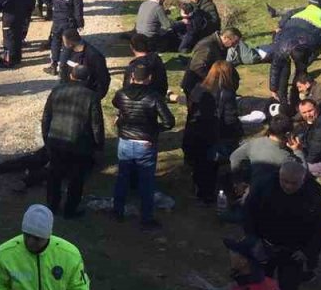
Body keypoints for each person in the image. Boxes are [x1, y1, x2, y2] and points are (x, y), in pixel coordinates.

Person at [243, 160, 321, 290]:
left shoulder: (316, 197)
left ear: (303, 179)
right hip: (265, 244)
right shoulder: (264, 185)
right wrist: (253, 239)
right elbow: (248, 213)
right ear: (279, 176)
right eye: (285, 181)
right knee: (258, 284)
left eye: (294, 183)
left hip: (293, 252)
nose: (288, 186)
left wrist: (308, 252)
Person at [111, 61, 176, 229]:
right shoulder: (154, 97)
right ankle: (146, 218)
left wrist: (123, 119)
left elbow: (116, 104)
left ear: (132, 77)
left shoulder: (121, 93)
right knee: (146, 182)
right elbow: (169, 122)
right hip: (145, 143)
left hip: (125, 140)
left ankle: (117, 211)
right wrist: (154, 130)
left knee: (122, 177)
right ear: (149, 78)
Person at [40, 65, 104, 218]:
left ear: (71, 75)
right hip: (79, 143)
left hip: (56, 140)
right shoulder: (92, 96)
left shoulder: (57, 91)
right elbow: (96, 124)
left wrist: (46, 139)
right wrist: (98, 144)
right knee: (76, 179)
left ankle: (52, 206)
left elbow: (46, 118)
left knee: (54, 176)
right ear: (87, 78)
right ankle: (70, 210)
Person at [183, 61, 242, 205]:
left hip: (195, 133)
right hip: (214, 135)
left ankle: (198, 190)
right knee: (211, 166)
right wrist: (238, 131)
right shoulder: (226, 94)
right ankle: (209, 196)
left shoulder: (198, 89)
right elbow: (230, 119)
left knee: (200, 165)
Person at [268, 4, 321, 107]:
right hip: (304, 38)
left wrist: (273, 88)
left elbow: (275, 66)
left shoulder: (307, 8)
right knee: (299, 70)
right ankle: (292, 100)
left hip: (300, 38)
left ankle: (286, 100)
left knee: (287, 66)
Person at [230, 115, 295, 199]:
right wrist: (298, 151)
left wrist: (238, 182)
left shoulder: (254, 143)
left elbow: (234, 157)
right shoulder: (286, 156)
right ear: (288, 134)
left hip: (252, 191)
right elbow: (302, 174)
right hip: (274, 197)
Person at [39, 0, 84, 75]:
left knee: (55, 41)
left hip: (57, 19)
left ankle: (53, 66)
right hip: (69, 21)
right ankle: (63, 69)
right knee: (67, 45)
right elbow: (78, 9)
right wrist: (80, 23)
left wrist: (51, 5)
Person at [183, 27, 242, 97]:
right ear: (225, 37)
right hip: (196, 84)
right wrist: (214, 80)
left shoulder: (222, 46)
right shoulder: (207, 46)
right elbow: (196, 67)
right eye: (234, 42)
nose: (234, 45)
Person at [58, 29, 111, 99]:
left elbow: (103, 79)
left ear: (70, 43)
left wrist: (96, 97)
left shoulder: (94, 56)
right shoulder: (66, 52)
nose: (63, 44)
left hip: (87, 97)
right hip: (69, 95)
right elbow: (63, 70)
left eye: (64, 41)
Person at [125, 32, 169, 97]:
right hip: (159, 96)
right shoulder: (157, 59)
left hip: (141, 99)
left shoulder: (133, 66)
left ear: (131, 47)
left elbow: (127, 87)